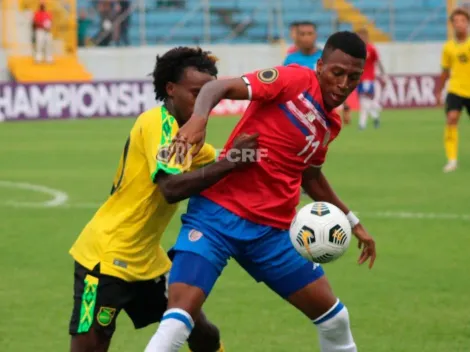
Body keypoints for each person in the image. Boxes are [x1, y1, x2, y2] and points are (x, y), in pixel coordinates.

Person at [146, 31, 376, 352]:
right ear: (320, 65)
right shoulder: (292, 79)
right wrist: (199, 120)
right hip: (216, 218)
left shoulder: (330, 125)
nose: (343, 84)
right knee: (177, 321)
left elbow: (310, 176)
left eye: (353, 77)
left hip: (273, 235)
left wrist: (353, 222)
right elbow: (217, 86)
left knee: (335, 320)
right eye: (337, 73)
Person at [68, 47, 258, 352]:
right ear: (170, 89)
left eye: (210, 95)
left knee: (200, 331)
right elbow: (170, 188)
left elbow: (226, 162)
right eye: (196, 93)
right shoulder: (157, 123)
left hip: (147, 261)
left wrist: (270, 161)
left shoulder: (190, 139)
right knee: (90, 346)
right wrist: (231, 162)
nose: (204, 104)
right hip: (103, 261)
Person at [434, 7, 470, 173]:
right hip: (455, 89)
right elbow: (445, 71)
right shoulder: (448, 47)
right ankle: (452, 160)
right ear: (452, 25)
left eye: (462, 21)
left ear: (467, 23)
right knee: (451, 118)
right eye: (456, 21)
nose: (459, 24)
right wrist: (439, 90)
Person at [356, 28, 386, 130]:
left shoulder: (371, 48)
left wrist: (383, 75)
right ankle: (376, 116)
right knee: (364, 102)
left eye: (362, 37)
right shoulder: (355, 50)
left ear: (366, 37)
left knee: (364, 102)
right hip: (358, 80)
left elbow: (379, 62)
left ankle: (362, 124)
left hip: (368, 79)